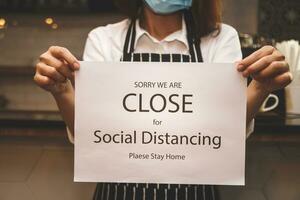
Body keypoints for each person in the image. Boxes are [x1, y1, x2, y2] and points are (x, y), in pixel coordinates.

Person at [33, 0, 292, 199]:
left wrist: (260, 88)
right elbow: (92, 134)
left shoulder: (221, 38)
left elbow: (224, 134)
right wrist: (62, 90)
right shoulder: (104, 39)